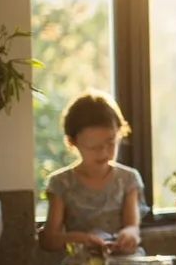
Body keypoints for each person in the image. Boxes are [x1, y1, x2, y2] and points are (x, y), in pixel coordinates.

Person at [39, 90, 146, 255]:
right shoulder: (60, 183)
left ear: (119, 133)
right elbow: (49, 240)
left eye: (110, 142)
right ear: (72, 142)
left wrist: (130, 234)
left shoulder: (128, 179)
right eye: (93, 146)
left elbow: (133, 226)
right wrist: (81, 239)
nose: (103, 152)